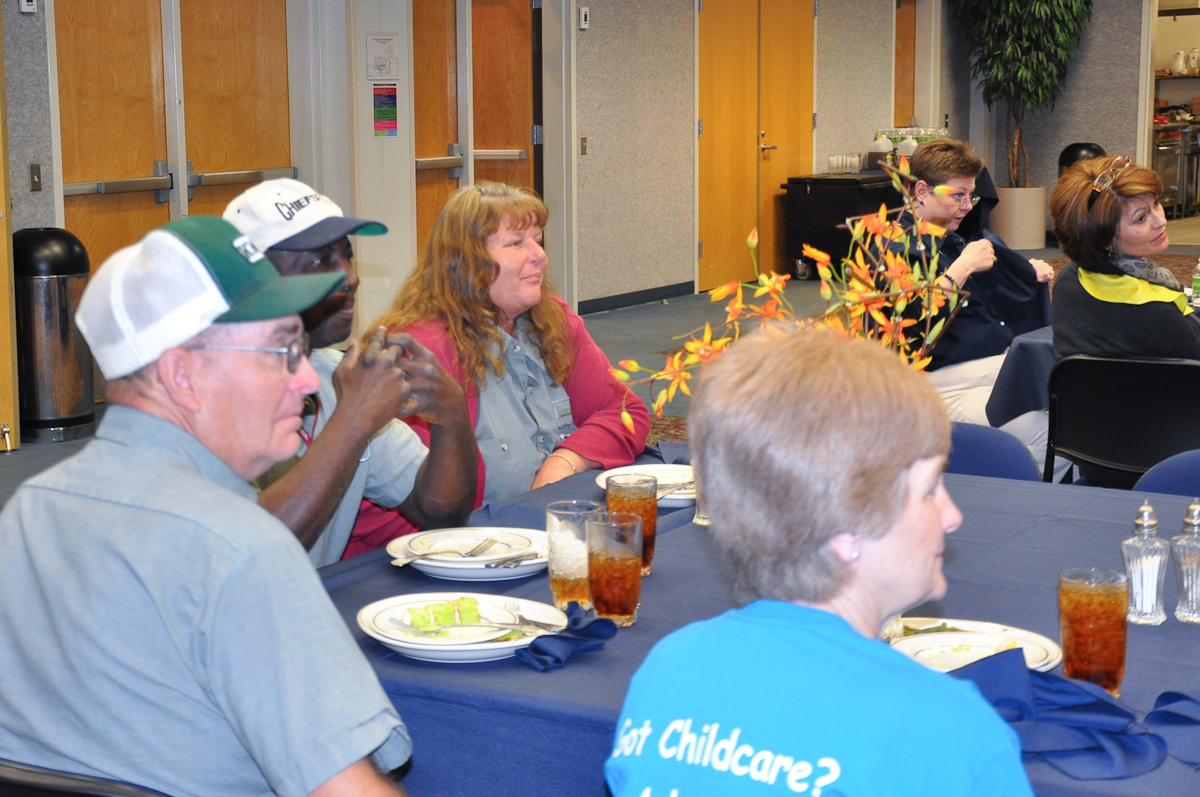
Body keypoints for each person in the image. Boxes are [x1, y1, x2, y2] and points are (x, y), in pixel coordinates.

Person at [0, 217, 411, 797]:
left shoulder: (27, 512)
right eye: (281, 351)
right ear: (183, 376)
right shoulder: (239, 547)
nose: (306, 380)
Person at [605, 328, 1033, 796]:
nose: (952, 517)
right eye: (930, 490)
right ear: (847, 531)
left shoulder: (669, 671)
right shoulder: (949, 733)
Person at [351, 181, 649, 550]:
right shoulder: (422, 353)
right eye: (516, 243)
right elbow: (404, 504)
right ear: (466, 261)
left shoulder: (552, 322)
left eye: (538, 239)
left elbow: (625, 414)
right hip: (454, 557)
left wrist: (564, 462)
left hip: (540, 538)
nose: (539, 255)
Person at [224, 178, 476, 566]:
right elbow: (256, 556)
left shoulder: (333, 374)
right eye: (321, 261)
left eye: (347, 256)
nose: (351, 277)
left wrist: (451, 415)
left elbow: (441, 512)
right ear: (256, 281)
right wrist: (355, 418)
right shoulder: (214, 401)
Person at [895, 138, 1054, 426]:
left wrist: (1025, 271)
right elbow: (915, 322)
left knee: (1066, 383)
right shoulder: (893, 248)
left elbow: (989, 285)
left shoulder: (943, 235)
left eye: (971, 196)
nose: (967, 206)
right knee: (1055, 426)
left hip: (985, 363)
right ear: (922, 191)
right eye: (958, 196)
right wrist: (963, 266)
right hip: (940, 378)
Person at [1049, 154, 1200, 361]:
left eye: (1156, 204)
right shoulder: (1155, 309)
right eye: (1141, 218)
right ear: (1104, 238)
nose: (1161, 221)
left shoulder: (1070, 278)